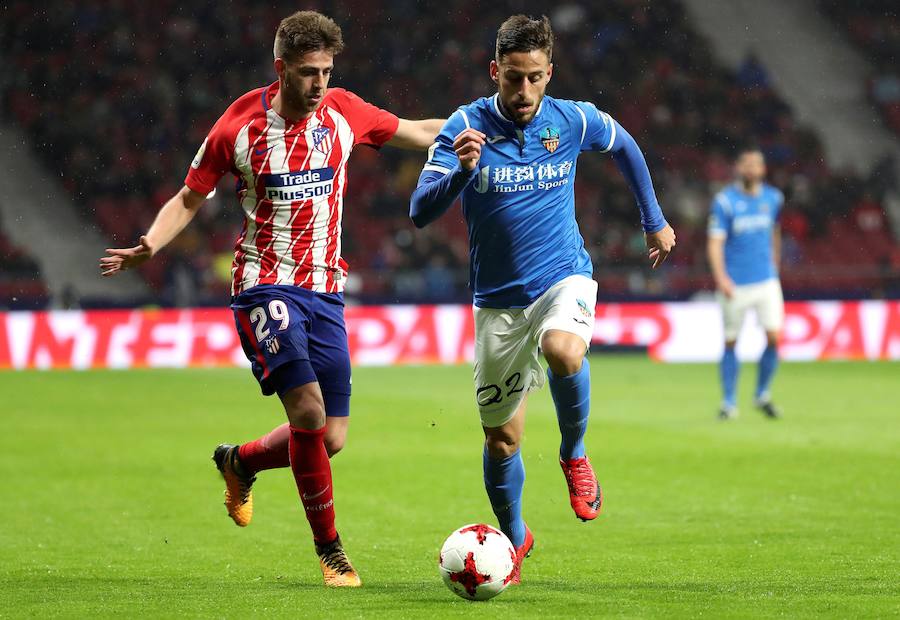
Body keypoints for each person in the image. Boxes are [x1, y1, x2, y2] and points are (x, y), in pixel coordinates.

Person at [99, 10, 444, 587]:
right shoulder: (238, 126)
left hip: (326, 290)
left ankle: (238, 461)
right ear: (281, 68)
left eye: (327, 72)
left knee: (330, 438)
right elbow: (189, 197)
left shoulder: (345, 112)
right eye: (308, 73)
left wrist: (486, 125)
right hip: (264, 283)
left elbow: (418, 131)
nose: (319, 84)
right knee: (307, 411)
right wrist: (150, 246)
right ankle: (331, 552)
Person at [408, 15, 675, 583]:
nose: (524, 90)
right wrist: (461, 171)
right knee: (502, 441)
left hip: (563, 276)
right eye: (513, 78)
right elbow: (420, 211)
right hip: (498, 302)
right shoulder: (464, 126)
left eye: (534, 77)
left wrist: (653, 219)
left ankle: (574, 453)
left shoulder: (572, 119)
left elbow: (625, 144)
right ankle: (515, 538)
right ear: (494, 71)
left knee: (563, 350)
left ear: (549, 73)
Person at [707, 147, 784, 421]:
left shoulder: (774, 198)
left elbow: (775, 232)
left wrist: (774, 265)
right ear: (738, 168)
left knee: (774, 337)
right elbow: (715, 242)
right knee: (731, 341)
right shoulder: (725, 201)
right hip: (735, 282)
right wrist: (721, 278)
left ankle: (762, 394)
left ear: (763, 169)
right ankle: (729, 402)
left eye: (756, 164)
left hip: (766, 280)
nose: (751, 169)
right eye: (747, 164)